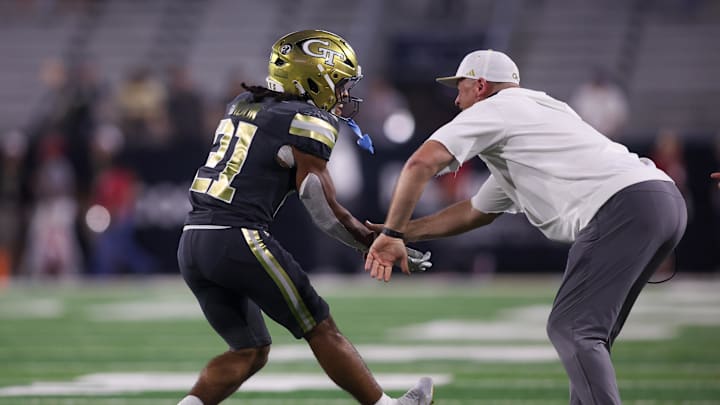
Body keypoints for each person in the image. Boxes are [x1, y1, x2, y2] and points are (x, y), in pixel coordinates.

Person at [364, 49, 687, 404]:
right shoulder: (537, 117)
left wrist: (392, 235)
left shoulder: (496, 109)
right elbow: (475, 212)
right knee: (588, 337)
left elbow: (419, 164)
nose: (457, 100)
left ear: (482, 86)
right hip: (661, 200)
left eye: (462, 87)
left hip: (623, 206)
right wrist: (399, 230)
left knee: (573, 329)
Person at [176, 30, 433, 405]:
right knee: (319, 326)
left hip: (193, 240)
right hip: (237, 236)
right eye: (340, 84)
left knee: (249, 350)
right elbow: (322, 206)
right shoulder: (305, 120)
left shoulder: (244, 103)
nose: (344, 94)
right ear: (313, 78)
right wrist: (373, 242)